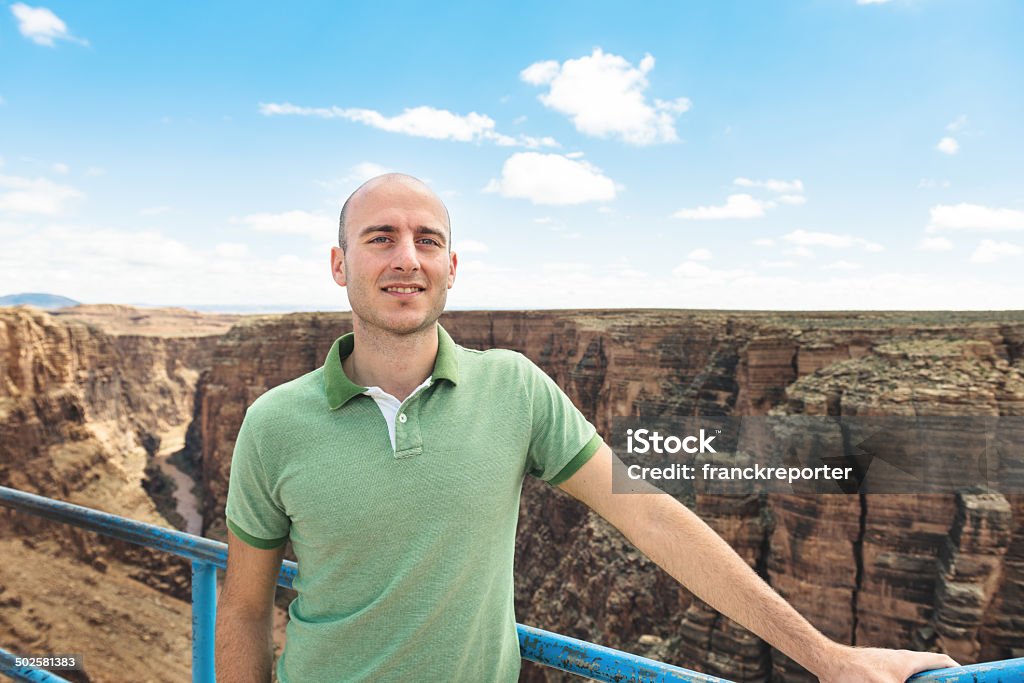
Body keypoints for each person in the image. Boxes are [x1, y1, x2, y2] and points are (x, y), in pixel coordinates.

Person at [214, 173, 959, 682]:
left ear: (452, 265)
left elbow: (653, 516)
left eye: (428, 240)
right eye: (380, 237)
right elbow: (245, 608)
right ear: (340, 265)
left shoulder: (514, 388)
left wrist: (826, 657)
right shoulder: (275, 423)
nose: (407, 258)